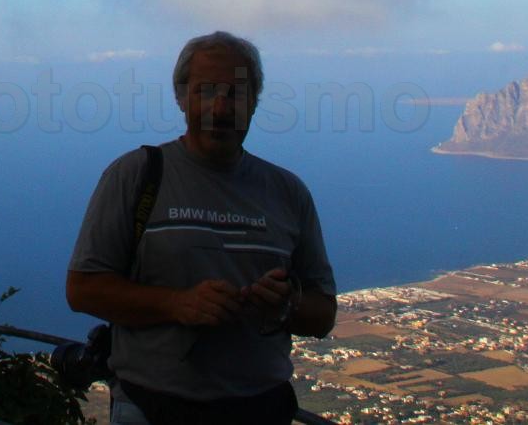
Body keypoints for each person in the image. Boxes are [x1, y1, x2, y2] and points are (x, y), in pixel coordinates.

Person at [66, 31, 337, 425]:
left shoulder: (288, 193)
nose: (221, 107)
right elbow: (82, 289)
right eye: (206, 91)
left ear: (254, 103)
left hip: (261, 407)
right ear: (181, 98)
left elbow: (323, 314)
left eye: (236, 93)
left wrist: (286, 305)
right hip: (151, 406)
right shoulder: (136, 176)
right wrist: (177, 304)